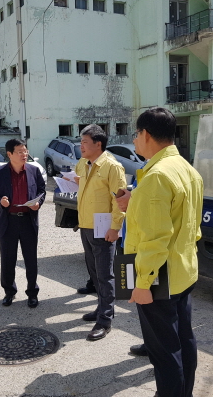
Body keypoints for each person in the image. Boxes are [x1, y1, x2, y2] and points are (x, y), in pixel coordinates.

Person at [122, 108, 203, 397]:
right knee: (183, 338)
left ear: (145, 134)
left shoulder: (156, 176)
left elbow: (155, 239)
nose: (134, 140)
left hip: (159, 276)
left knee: (164, 351)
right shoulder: (187, 169)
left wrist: (142, 283)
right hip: (183, 269)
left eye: (135, 134)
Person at [75, 124, 127, 341]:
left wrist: (115, 227)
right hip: (86, 225)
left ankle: (105, 320)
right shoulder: (84, 163)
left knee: (105, 275)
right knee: (94, 272)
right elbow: (78, 177)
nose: (81, 146)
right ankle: (100, 307)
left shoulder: (112, 167)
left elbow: (120, 201)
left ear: (98, 144)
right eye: (80, 142)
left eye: (85, 142)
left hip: (104, 228)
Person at [0, 138, 46, 308]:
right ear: (9, 154)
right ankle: (9, 292)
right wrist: (1, 202)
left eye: (25, 151)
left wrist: (38, 203)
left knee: (31, 259)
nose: (24, 154)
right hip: (8, 221)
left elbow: (42, 191)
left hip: (28, 220)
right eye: (20, 152)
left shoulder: (34, 171)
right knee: (8, 259)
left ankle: (32, 293)